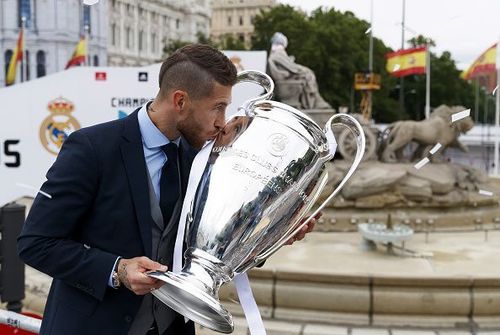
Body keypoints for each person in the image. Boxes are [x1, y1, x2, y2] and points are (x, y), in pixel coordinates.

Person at [17, 44, 316, 335]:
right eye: (218, 107)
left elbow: (219, 247)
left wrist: (273, 233)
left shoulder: (207, 157)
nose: (222, 122)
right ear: (180, 101)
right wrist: (117, 269)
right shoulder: (92, 149)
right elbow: (35, 243)